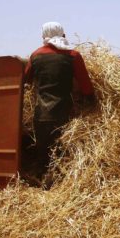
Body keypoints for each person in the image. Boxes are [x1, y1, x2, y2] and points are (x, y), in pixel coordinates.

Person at [23, 22, 96, 187]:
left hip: (41, 113)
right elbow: (85, 85)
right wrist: (90, 101)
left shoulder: (35, 56)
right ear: (62, 35)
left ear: (44, 36)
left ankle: (43, 182)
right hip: (64, 113)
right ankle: (60, 184)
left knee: (43, 152)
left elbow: (26, 81)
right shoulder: (73, 55)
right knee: (62, 152)